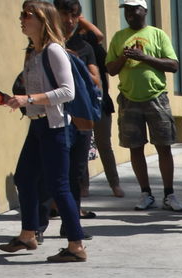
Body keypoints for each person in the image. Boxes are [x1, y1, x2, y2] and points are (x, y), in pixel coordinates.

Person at [0, 0, 88, 261]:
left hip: (55, 127)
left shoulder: (54, 51)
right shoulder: (34, 53)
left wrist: (28, 99)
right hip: (38, 125)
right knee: (24, 178)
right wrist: (14, 100)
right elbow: (35, 94)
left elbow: (67, 92)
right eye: (21, 14)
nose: (21, 19)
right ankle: (28, 234)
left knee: (58, 186)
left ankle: (76, 246)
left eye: (27, 15)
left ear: (43, 20)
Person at [106, 0, 182, 212]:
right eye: (126, 10)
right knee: (135, 147)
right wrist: (124, 57)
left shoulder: (157, 34)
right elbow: (111, 69)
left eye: (134, 9)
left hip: (156, 97)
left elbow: (173, 65)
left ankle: (169, 194)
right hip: (129, 99)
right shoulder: (119, 37)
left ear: (145, 10)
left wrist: (144, 57)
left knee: (164, 146)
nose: (129, 13)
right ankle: (146, 193)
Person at [54, 0, 102, 232]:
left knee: (76, 174)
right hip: (53, 117)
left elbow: (96, 81)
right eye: (65, 14)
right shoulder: (44, 44)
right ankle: (37, 227)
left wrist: (72, 62)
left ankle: (71, 226)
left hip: (80, 117)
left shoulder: (84, 47)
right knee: (50, 172)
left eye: (74, 15)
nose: (70, 20)